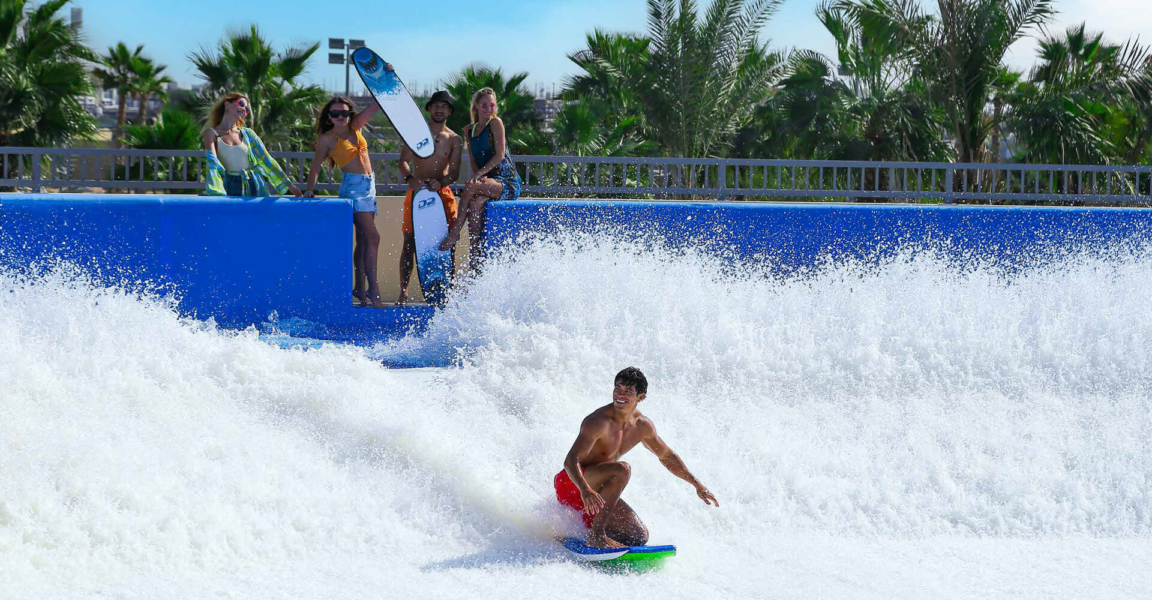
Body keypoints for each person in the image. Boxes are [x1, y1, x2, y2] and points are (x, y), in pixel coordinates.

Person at [557, 367, 719, 549]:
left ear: (640, 397)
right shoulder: (598, 421)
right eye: (617, 388)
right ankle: (596, 535)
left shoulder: (642, 426)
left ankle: (578, 535)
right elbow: (570, 460)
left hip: (598, 494)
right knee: (622, 470)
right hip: (574, 484)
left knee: (638, 536)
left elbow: (666, 456)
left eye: (628, 391)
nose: (620, 394)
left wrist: (697, 484)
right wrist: (585, 489)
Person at [302, 96, 383, 308]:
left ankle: (360, 288)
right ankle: (373, 289)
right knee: (373, 237)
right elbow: (315, 167)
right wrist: (309, 190)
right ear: (329, 117)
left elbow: (375, 105)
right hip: (353, 188)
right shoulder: (327, 139)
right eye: (335, 113)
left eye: (345, 113)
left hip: (369, 186)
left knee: (364, 240)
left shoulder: (356, 126)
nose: (340, 117)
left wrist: (385, 83)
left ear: (350, 114)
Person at [438, 87, 522, 268]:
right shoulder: (470, 130)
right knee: (475, 205)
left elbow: (499, 155)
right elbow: (474, 161)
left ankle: (455, 232)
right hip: (488, 183)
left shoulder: (496, 123)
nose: (488, 109)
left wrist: (476, 177)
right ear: (476, 106)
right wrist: (478, 177)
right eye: (484, 105)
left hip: (507, 182)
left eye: (492, 105)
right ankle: (475, 263)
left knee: (470, 186)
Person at [396, 90, 463, 305]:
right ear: (429, 109)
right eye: (436, 105)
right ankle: (403, 292)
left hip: (442, 194)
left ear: (449, 112)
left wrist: (441, 182)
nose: (439, 109)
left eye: (444, 106)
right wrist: (409, 178)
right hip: (417, 193)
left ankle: (448, 292)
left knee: (448, 243)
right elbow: (402, 161)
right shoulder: (416, 134)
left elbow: (454, 173)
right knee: (409, 242)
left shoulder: (454, 139)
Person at [202, 92, 301, 197]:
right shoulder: (211, 133)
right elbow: (212, 162)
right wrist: (213, 189)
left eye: (247, 109)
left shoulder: (248, 134)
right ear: (227, 104)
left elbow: (266, 159)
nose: (244, 109)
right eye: (241, 103)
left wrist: (290, 185)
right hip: (229, 185)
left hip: (254, 184)